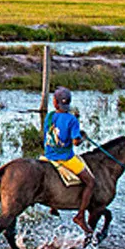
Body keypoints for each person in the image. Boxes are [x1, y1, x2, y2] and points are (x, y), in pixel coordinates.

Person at [43, 86, 96, 233]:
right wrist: (81, 138)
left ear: (55, 103)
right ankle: (80, 215)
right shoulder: (72, 120)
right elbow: (75, 142)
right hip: (65, 158)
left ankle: (53, 206)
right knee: (91, 182)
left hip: (48, 156)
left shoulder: (49, 116)